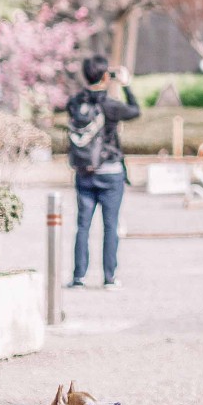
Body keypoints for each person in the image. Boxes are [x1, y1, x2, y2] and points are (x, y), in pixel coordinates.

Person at [64, 54, 141, 290]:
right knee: (110, 226)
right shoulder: (109, 105)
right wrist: (126, 86)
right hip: (110, 172)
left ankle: (79, 277)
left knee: (83, 226)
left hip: (85, 172)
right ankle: (109, 277)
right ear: (106, 76)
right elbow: (135, 111)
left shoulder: (75, 103)